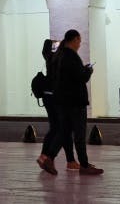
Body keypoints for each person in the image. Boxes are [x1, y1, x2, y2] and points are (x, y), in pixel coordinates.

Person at [40, 29, 103, 176]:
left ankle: (49, 158)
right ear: (74, 40)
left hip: (62, 100)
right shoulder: (71, 56)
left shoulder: (59, 56)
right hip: (75, 101)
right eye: (79, 41)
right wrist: (88, 71)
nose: (80, 44)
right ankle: (85, 165)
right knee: (79, 134)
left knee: (65, 131)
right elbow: (80, 77)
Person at [35, 39, 72, 174]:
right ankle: (46, 157)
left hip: (48, 97)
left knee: (56, 127)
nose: (57, 46)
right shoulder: (53, 59)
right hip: (53, 97)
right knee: (60, 128)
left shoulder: (49, 58)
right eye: (54, 45)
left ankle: (46, 157)